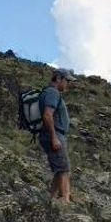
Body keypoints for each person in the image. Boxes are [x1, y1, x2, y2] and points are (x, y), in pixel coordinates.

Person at [39, 68, 75, 203]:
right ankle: (65, 200)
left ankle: (50, 199)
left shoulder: (50, 92)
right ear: (58, 79)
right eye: (67, 81)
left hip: (55, 135)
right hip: (54, 135)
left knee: (60, 168)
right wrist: (54, 137)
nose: (68, 84)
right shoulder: (52, 93)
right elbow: (47, 115)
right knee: (64, 169)